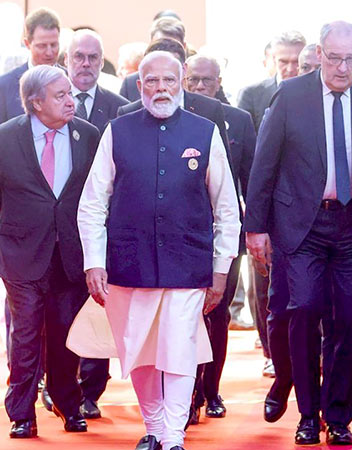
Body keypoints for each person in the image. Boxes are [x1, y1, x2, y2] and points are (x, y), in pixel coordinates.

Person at [77, 51, 240, 450]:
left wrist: (221, 268)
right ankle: (153, 426)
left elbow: (226, 207)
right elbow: (93, 202)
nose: (161, 89)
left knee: (178, 349)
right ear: (139, 86)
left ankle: (173, 435)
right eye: (152, 81)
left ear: (181, 82)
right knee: (141, 351)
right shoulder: (118, 130)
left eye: (169, 80)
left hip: (188, 262)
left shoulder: (205, 132)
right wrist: (94, 262)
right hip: (129, 263)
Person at [245, 21, 352, 446]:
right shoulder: (291, 94)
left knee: (351, 322)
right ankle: (307, 412)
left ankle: (338, 416)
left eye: (351, 59)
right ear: (319, 53)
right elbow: (264, 162)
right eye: (335, 57)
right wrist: (256, 228)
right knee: (302, 311)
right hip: (300, 225)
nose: (343, 67)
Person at [0, 64, 100, 438]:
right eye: (61, 95)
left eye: (70, 93)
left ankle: (68, 403)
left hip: (69, 253)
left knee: (65, 334)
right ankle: (21, 412)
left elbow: (94, 192)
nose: (71, 101)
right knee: (27, 333)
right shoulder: (5, 137)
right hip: (21, 252)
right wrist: (25, 222)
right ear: (35, 102)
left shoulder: (87, 135)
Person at [183, 53, 256, 423]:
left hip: (226, 234)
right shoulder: (176, 121)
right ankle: (188, 391)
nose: (199, 88)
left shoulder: (239, 122)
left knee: (217, 313)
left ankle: (211, 389)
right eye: (193, 80)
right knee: (185, 314)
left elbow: (251, 180)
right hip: (184, 234)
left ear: (219, 82)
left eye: (206, 81)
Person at [63, 28, 129, 420]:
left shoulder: (120, 107)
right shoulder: (49, 103)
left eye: (93, 58)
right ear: (67, 61)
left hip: (105, 226)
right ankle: (60, 385)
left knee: (99, 305)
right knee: (63, 310)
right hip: (58, 229)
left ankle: (91, 391)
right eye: (78, 57)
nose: (85, 64)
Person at [237, 29, 306, 384]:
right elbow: (251, 156)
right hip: (267, 203)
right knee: (265, 284)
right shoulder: (253, 95)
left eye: (297, 60)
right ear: (270, 61)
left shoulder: (315, 93)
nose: (292, 68)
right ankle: (270, 353)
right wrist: (255, 215)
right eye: (284, 61)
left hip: (306, 205)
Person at [117, 38, 230, 155]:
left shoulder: (209, 109)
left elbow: (221, 164)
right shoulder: (128, 114)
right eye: (155, 71)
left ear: (184, 70)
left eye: (170, 68)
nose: (161, 85)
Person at [0, 7, 61, 152]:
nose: (49, 52)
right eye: (42, 46)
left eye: (54, 45)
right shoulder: (4, 86)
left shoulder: (70, 82)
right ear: (27, 44)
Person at [119, 17, 186, 102]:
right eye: (159, 45)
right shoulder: (131, 84)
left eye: (172, 46)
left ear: (184, 47)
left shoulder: (195, 80)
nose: (165, 52)